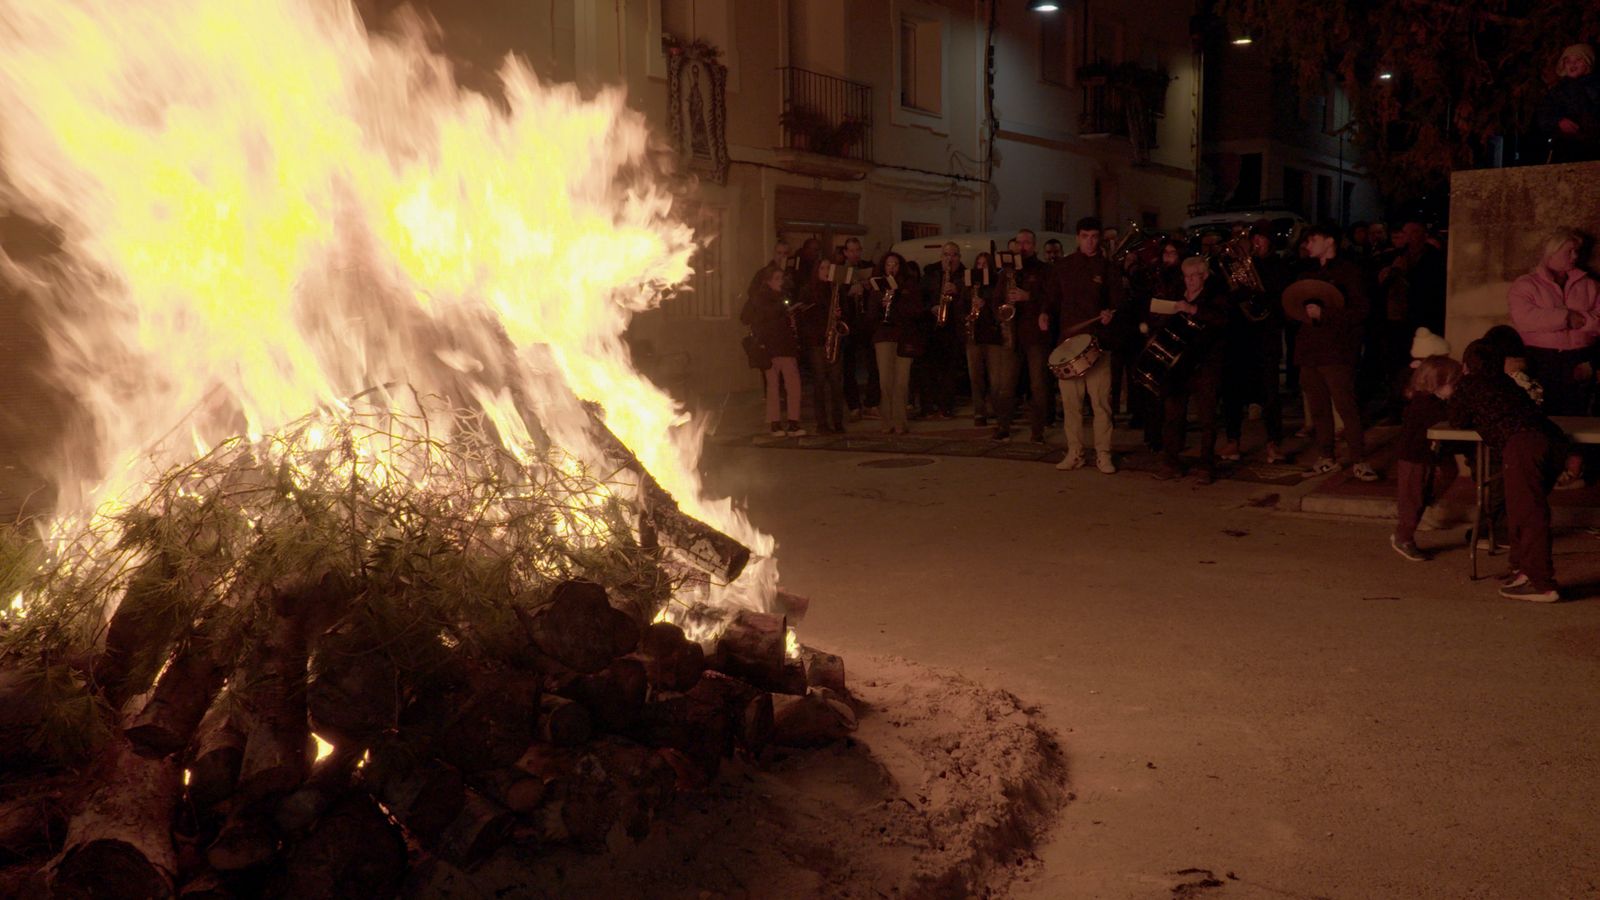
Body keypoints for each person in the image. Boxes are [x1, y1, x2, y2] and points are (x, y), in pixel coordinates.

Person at [1449, 339, 1568, 602]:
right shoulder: (1507, 383)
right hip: (1553, 441)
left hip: (1522, 444)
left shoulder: (1469, 385)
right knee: (1521, 508)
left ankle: (1542, 583)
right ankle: (1522, 569)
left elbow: (1457, 419)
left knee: (1528, 513)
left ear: (1467, 364)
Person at [1293, 224, 1379, 481]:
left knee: (1346, 406)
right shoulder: (1307, 272)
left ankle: (1358, 460)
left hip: (1337, 351)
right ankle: (1326, 456)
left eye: (1313, 239)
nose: (1308, 245)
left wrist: (1325, 314)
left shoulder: (1349, 272)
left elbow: (1361, 310)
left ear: (1330, 241)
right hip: (1309, 350)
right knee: (1318, 408)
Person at [1044, 217, 1124, 472]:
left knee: (1100, 404)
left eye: (1094, 236)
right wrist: (1044, 313)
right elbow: (1052, 299)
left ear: (1099, 238)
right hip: (1068, 346)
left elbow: (1118, 302)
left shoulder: (1108, 267)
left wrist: (1111, 313)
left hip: (1097, 345)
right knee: (1071, 405)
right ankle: (1075, 452)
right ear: (1078, 237)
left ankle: (1103, 453)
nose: (1090, 241)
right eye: (1085, 236)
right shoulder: (1063, 266)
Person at [1153, 256, 1230, 483]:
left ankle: (1206, 464)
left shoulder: (1215, 297)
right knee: (1173, 416)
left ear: (1204, 276)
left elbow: (1222, 320)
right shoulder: (1177, 296)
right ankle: (1171, 462)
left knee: (1207, 417)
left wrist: (1194, 309)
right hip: (1178, 365)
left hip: (1205, 364)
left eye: (1194, 276)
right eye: (1186, 277)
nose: (1189, 281)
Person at [1507, 227, 1599, 417]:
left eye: (1577, 251)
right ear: (1552, 252)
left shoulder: (1590, 285)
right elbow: (1524, 318)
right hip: (1541, 360)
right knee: (1544, 414)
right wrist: (1565, 318)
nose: (1574, 256)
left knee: (1580, 414)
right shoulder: (1526, 284)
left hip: (1580, 358)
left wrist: (1578, 320)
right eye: (1569, 251)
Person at [1219, 223, 1290, 464]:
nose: (1256, 242)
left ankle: (1273, 443)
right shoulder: (1239, 264)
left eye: (1261, 238)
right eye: (1254, 238)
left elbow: (1280, 299)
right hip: (1239, 336)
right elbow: (1226, 296)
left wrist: (1256, 294)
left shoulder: (1279, 266)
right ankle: (1232, 440)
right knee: (1233, 392)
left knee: (1270, 394)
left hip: (1266, 336)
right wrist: (1235, 292)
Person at [1390, 354, 1462, 562]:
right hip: (1415, 456)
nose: (1457, 387)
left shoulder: (1433, 401)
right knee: (1411, 498)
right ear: (1437, 383)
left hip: (1429, 454)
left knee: (1447, 473)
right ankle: (1403, 537)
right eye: (1453, 383)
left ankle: (1426, 499)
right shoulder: (1425, 404)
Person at [1002, 229, 1054, 443]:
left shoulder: (1044, 270)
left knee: (1037, 385)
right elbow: (997, 297)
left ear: (1034, 245)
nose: (1022, 246)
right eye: (1019, 242)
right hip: (1012, 333)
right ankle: (1003, 426)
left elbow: (1051, 297)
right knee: (1007, 383)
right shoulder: (1007, 270)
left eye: (1027, 243)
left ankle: (1037, 430)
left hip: (1034, 335)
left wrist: (1028, 296)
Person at [740, 268, 805, 436]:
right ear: (767, 281)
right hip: (769, 347)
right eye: (777, 278)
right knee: (773, 387)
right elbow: (749, 318)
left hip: (786, 346)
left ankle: (793, 422)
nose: (781, 281)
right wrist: (783, 311)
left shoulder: (784, 296)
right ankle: (775, 423)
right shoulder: (760, 298)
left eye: (781, 278)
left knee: (793, 386)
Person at [869, 252, 923, 435]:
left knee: (901, 381)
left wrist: (898, 298)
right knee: (885, 380)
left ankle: (900, 422)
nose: (892, 267)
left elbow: (916, 310)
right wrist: (881, 304)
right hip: (884, 336)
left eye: (896, 264)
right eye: (888, 264)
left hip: (904, 336)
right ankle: (887, 421)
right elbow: (870, 315)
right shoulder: (877, 286)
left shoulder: (909, 285)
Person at [958, 252, 1011, 428]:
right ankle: (979, 411)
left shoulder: (996, 284)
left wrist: (986, 304)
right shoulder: (969, 285)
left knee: (996, 379)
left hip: (993, 336)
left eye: (985, 264)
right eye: (979, 264)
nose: (981, 267)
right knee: (976, 377)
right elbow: (961, 307)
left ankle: (997, 409)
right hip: (974, 335)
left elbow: (1002, 309)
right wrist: (967, 315)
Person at [796, 255, 846, 434]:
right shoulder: (808, 290)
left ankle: (838, 422)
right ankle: (822, 423)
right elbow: (803, 315)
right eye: (822, 268)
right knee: (819, 382)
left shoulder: (835, 289)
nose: (826, 272)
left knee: (836, 383)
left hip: (834, 341)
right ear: (817, 271)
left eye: (828, 268)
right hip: (817, 341)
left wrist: (840, 315)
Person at [914, 242, 964, 420]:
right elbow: (920, 297)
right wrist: (931, 308)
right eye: (946, 255)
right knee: (928, 369)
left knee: (949, 370)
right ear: (941, 257)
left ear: (959, 257)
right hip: (931, 327)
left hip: (952, 328)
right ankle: (928, 406)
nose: (949, 258)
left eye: (953, 255)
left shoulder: (964, 275)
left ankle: (946, 406)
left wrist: (958, 290)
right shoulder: (931, 274)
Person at [836, 237, 880, 421]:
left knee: (873, 364)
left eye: (857, 250)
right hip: (850, 323)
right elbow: (835, 295)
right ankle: (854, 405)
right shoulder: (839, 271)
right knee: (849, 367)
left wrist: (869, 287)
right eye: (851, 251)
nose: (855, 254)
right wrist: (848, 293)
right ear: (845, 252)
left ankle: (872, 403)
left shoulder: (868, 267)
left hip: (866, 323)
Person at [1535, 43, 1600, 164]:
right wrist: (1558, 121)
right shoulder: (1558, 91)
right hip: (1566, 150)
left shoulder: (1596, 87)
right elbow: (1544, 114)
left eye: (1578, 60)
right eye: (1568, 61)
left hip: (1595, 149)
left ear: (1588, 62)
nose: (1572, 64)